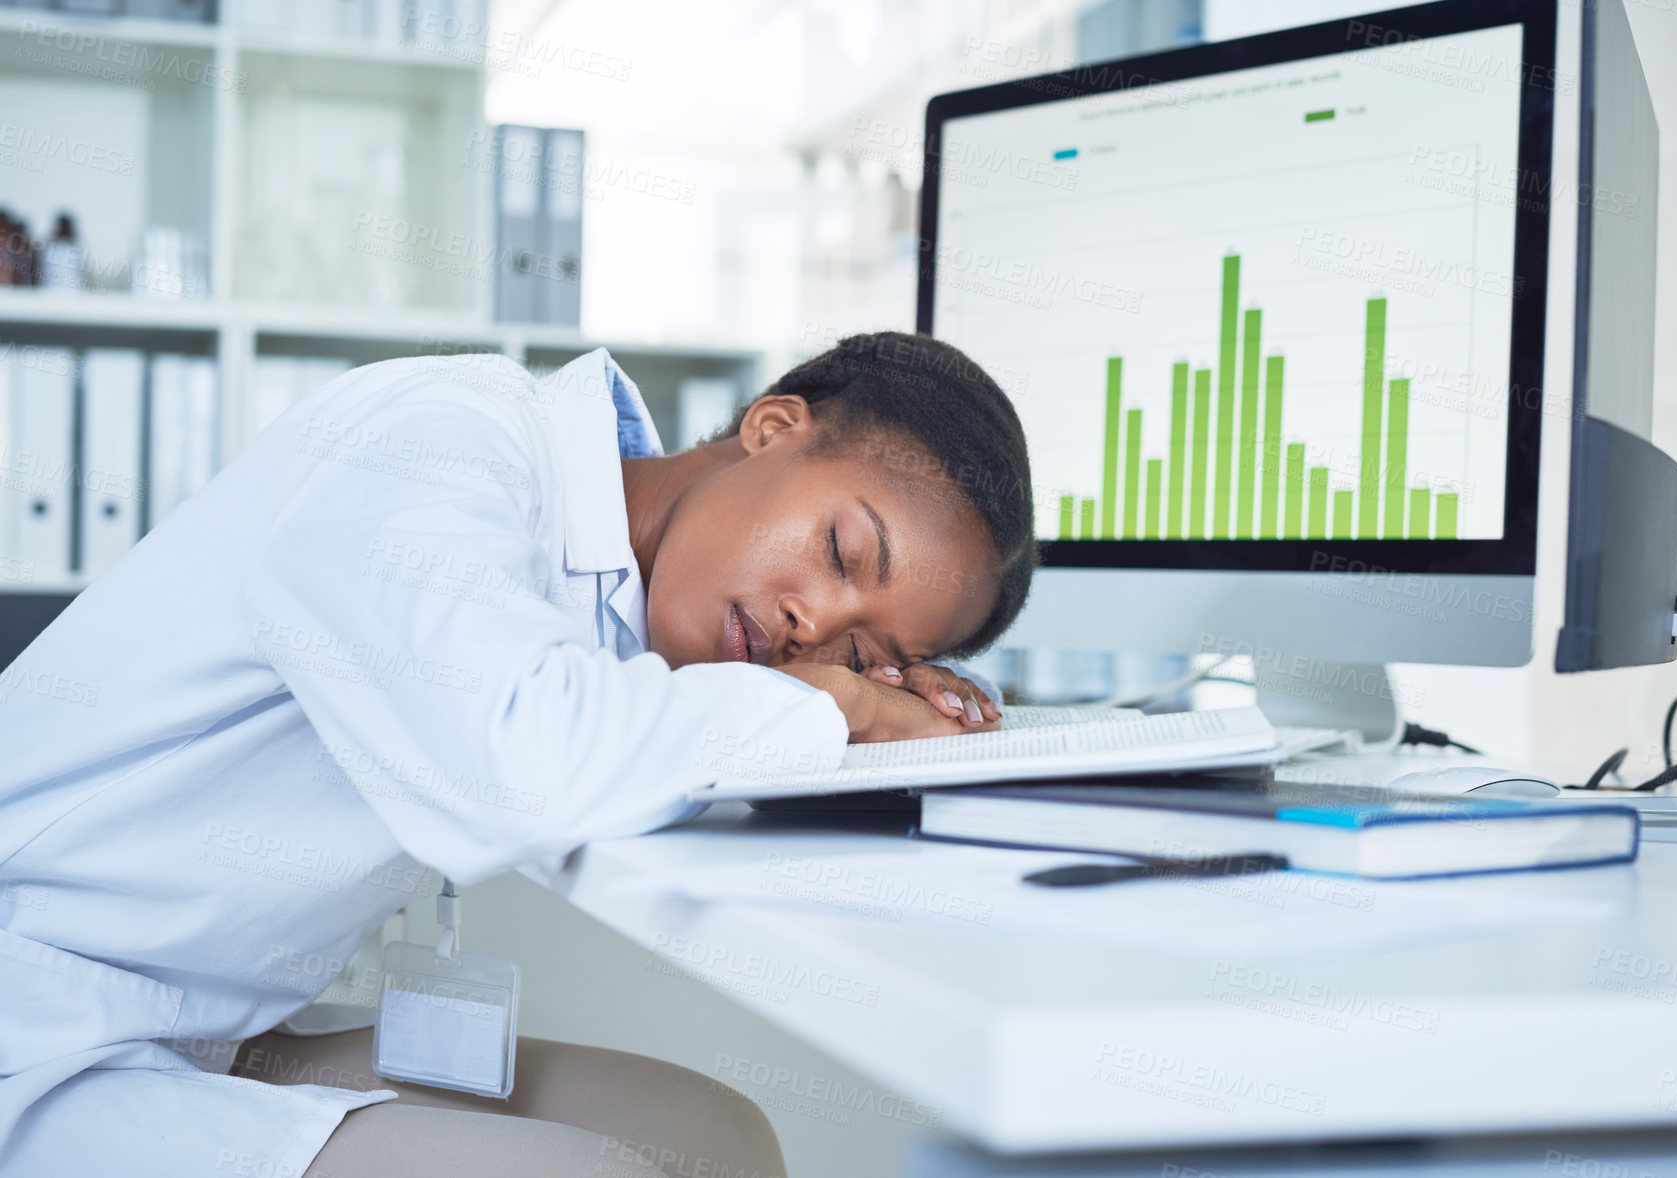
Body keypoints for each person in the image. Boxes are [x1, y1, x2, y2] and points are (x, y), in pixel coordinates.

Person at [0, 331, 1037, 1177]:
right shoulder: (443, 440)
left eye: (865, 648)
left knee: (714, 1138)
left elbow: (632, 732)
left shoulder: (637, 624)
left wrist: (867, 714)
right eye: (841, 553)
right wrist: (839, 708)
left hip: (202, 1017)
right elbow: (520, 760)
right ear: (771, 427)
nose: (812, 624)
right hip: (39, 1028)